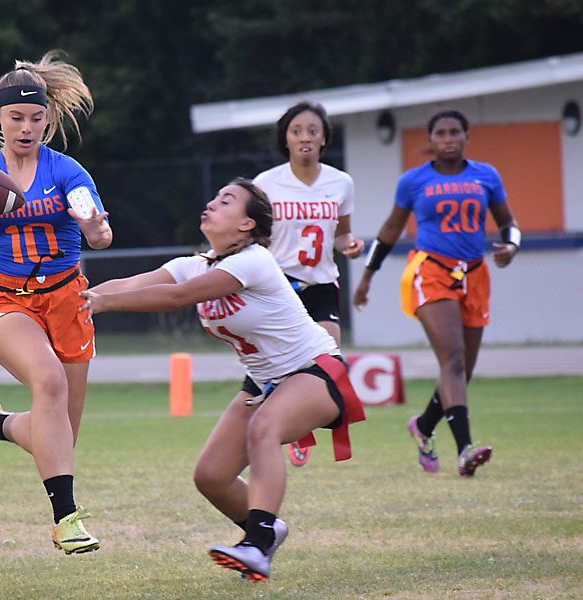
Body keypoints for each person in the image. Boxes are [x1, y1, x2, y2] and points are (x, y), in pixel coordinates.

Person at [79, 178, 365, 582]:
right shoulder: (193, 264)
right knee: (211, 475)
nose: (212, 203)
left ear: (247, 225)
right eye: (215, 197)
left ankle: (259, 545)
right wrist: (77, 299)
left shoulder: (254, 260)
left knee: (263, 429)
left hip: (316, 370)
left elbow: (177, 298)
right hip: (264, 383)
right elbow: (128, 285)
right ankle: (264, 527)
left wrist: (103, 304)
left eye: (226, 200)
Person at [0, 49, 111, 554]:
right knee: (49, 381)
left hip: (66, 299)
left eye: (37, 118)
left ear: (48, 119)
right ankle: (66, 521)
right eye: (16, 117)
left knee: (57, 438)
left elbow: (100, 236)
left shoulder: (67, 173)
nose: (26, 127)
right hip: (4, 299)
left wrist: (92, 225)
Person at [353, 109, 520, 477]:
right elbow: (391, 228)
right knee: (454, 359)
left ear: (466, 136)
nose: (448, 138)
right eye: (440, 133)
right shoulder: (413, 181)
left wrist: (512, 245)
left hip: (475, 273)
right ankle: (465, 450)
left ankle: (425, 425)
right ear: (430, 141)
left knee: (462, 370)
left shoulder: (486, 175)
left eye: (455, 132)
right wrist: (367, 275)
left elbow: (509, 223)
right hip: (431, 271)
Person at [251, 101, 365, 467]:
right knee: (279, 362)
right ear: (285, 139)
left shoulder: (340, 182)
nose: (305, 138)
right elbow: (254, 234)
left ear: (324, 139)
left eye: (313, 131)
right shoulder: (266, 183)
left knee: (328, 360)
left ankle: (304, 422)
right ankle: (292, 429)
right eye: (296, 131)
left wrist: (349, 245)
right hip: (279, 283)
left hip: (319, 282)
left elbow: (342, 234)